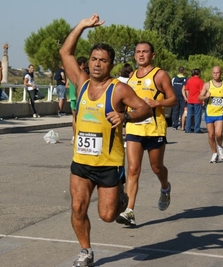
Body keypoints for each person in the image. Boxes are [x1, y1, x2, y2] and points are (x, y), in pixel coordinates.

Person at [59, 14, 153, 267]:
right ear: (88, 62)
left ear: (110, 65)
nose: (97, 64)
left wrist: (126, 116)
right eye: (93, 59)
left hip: (109, 164)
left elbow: (144, 108)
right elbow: (65, 53)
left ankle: (121, 197)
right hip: (81, 162)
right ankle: (86, 250)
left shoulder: (118, 89)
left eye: (103, 60)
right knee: (78, 207)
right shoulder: (80, 83)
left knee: (108, 215)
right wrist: (81, 26)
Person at [116, 41, 177, 226]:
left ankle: (165, 187)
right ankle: (129, 211)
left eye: (145, 52)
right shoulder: (131, 77)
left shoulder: (160, 75)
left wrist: (158, 103)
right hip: (134, 128)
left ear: (153, 55)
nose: (141, 55)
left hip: (154, 129)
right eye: (138, 52)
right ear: (134, 55)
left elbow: (173, 99)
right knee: (133, 169)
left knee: (156, 167)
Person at [198, 66, 223, 163]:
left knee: (218, 134)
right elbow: (199, 97)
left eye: (217, 72)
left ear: (221, 73)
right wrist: (205, 96)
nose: (215, 74)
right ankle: (214, 153)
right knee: (211, 135)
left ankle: (220, 146)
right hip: (209, 113)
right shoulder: (207, 85)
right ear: (211, 73)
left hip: (220, 113)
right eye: (214, 73)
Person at [67, 56, 88, 145]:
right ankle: (79, 136)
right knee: (80, 119)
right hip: (81, 98)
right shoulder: (82, 74)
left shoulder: (71, 73)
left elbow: (67, 85)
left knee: (74, 118)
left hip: (72, 98)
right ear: (82, 64)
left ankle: (74, 136)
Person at [183, 69, 204, 133]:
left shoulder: (189, 80)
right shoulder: (200, 81)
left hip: (190, 100)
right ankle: (196, 129)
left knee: (189, 115)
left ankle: (187, 129)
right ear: (199, 74)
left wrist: (187, 97)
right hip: (197, 100)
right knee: (197, 115)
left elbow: (186, 90)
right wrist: (202, 100)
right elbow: (201, 91)